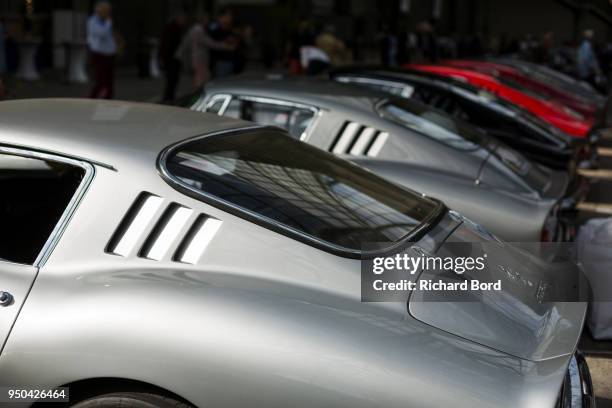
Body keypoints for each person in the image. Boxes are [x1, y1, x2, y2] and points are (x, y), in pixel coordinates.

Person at [177, 13, 233, 90]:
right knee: (199, 81)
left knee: (200, 80)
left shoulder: (196, 29)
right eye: (207, 20)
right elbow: (210, 43)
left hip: (198, 59)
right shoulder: (198, 30)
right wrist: (225, 46)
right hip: (199, 60)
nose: (208, 22)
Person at [87, 1, 117, 99]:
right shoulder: (93, 21)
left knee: (109, 82)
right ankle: (91, 101)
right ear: (99, 10)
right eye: (106, 11)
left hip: (110, 54)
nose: (108, 13)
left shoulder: (106, 21)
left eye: (108, 11)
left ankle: (109, 101)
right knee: (100, 81)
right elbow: (101, 34)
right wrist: (108, 22)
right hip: (100, 54)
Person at [159, 11, 187, 102]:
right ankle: (168, 97)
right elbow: (167, 45)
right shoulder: (172, 29)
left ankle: (169, 97)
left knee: (173, 80)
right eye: (182, 19)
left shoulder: (176, 28)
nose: (183, 21)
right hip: (171, 59)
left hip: (173, 58)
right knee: (171, 80)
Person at [207, 7, 235, 78]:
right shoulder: (214, 29)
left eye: (230, 16)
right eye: (228, 16)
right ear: (221, 17)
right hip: (219, 62)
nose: (230, 18)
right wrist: (226, 43)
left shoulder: (230, 30)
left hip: (229, 61)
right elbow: (212, 44)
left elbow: (234, 44)